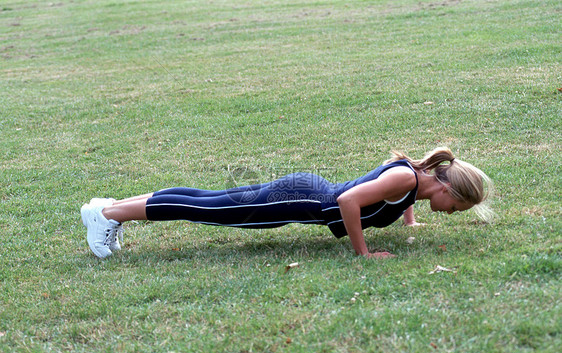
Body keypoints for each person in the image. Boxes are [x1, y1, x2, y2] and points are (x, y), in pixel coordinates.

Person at [81, 147, 493, 259]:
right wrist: (362, 252)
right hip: (300, 199)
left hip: (304, 192)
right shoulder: (406, 178)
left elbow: (397, 194)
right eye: (455, 207)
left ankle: (109, 208)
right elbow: (350, 202)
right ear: (446, 189)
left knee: (209, 201)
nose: (451, 214)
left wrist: (409, 221)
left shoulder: (413, 180)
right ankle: (107, 215)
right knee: (208, 208)